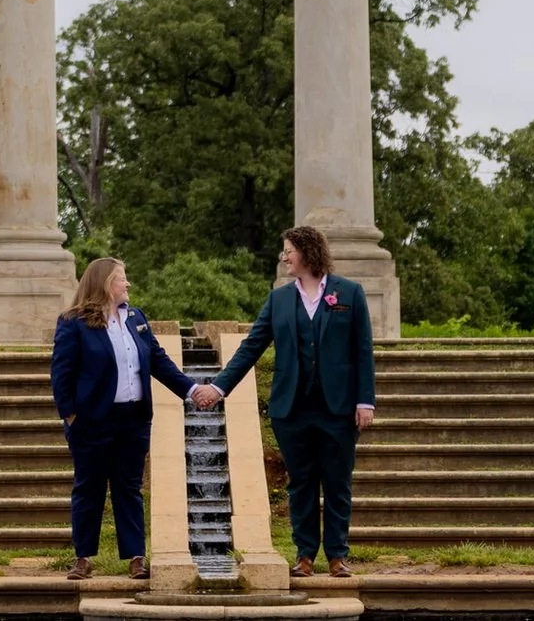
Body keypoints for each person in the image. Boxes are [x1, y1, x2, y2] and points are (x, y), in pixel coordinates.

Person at [208, 224, 375, 578]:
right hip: (292, 409)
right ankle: (304, 555)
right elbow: (252, 347)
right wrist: (219, 388)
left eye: (288, 251)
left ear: (307, 252)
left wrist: (365, 401)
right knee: (301, 483)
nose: (284, 257)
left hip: (338, 408)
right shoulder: (279, 299)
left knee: (337, 483)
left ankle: (337, 555)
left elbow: (362, 352)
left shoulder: (350, 293)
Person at [50, 256, 210, 581]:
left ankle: (137, 558)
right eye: (122, 278)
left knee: (129, 488)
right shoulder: (73, 322)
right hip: (91, 421)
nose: (128, 284)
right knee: (89, 488)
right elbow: (61, 373)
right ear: (106, 283)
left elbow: (159, 361)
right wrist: (70, 414)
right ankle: (83, 558)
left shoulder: (136, 318)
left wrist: (192, 390)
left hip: (133, 420)